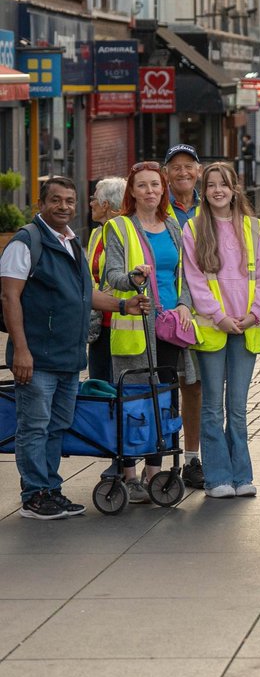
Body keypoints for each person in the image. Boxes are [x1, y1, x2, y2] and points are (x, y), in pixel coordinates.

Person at [1, 177, 148, 518]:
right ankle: (35, 496)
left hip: (68, 357)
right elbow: (10, 298)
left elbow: (85, 295)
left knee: (55, 426)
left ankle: (51, 490)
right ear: (42, 204)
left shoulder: (71, 242)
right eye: (56, 200)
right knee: (35, 427)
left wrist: (123, 306)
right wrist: (21, 351)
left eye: (69, 200)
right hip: (36, 357)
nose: (64, 206)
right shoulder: (26, 242)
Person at [182, 162, 260, 499]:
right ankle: (217, 478)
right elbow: (194, 280)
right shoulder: (193, 229)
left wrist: (253, 314)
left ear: (235, 189)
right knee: (212, 407)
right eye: (211, 186)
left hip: (247, 329)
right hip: (213, 328)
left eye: (224, 184)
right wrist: (219, 316)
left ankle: (242, 475)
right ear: (203, 192)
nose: (218, 190)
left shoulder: (253, 227)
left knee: (237, 407)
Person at [105, 161, 195, 503]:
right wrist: (133, 279)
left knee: (165, 399)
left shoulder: (173, 227)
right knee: (133, 401)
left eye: (155, 185)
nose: (150, 191)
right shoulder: (119, 227)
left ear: (164, 189)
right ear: (132, 191)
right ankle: (129, 474)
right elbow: (110, 275)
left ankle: (154, 473)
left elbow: (185, 275)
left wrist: (185, 304)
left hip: (169, 327)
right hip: (135, 327)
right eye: (142, 186)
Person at [163, 144, 206, 489]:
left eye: (188, 166)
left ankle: (192, 459)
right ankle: (154, 458)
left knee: (194, 386)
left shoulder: (210, 209)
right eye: (175, 166)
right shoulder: (155, 209)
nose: (182, 172)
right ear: (166, 173)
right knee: (160, 386)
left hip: (201, 311)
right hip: (163, 312)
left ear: (198, 171)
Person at [86, 176, 126, 383]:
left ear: (106, 205)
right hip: (98, 324)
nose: (91, 203)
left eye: (95, 198)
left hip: (121, 321)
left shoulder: (126, 233)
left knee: (117, 385)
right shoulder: (96, 234)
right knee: (98, 382)